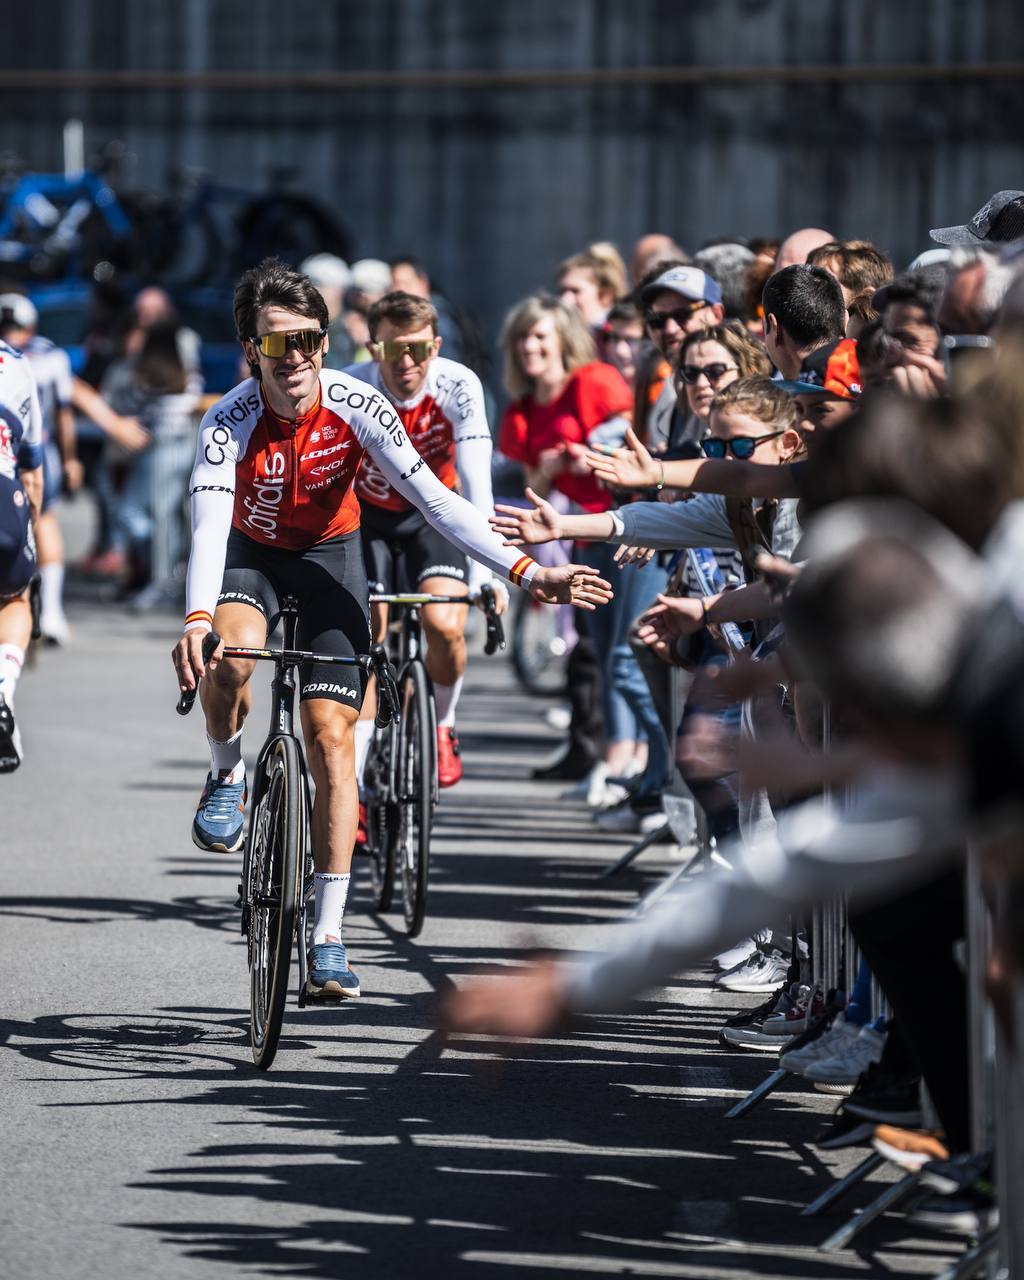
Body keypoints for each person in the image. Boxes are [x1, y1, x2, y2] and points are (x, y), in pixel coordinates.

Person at [172, 260, 610, 1000]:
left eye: (309, 340)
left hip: (332, 556)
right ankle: (226, 773)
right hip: (253, 554)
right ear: (253, 352)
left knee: (332, 738)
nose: (300, 358)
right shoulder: (228, 420)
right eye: (280, 346)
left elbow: (439, 504)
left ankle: (330, 934)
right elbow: (209, 528)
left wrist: (527, 572)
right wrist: (197, 618)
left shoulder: (357, 402)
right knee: (232, 660)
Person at [346, 289, 501, 789]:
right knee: (367, 633)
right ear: (374, 350)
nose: (406, 361)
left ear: (436, 347)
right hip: (369, 518)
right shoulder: (352, 386)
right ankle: (356, 775)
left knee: (444, 623)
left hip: (436, 517)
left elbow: (477, 480)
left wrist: (485, 573)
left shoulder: (459, 385)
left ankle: (441, 724)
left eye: (417, 348)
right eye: (392, 349)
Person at [497, 294, 642, 785]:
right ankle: (603, 757)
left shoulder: (593, 382)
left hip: (627, 523)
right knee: (595, 652)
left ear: (563, 340)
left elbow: (634, 439)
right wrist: (558, 465)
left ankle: (627, 761)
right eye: (522, 337)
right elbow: (536, 482)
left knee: (623, 651)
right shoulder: (522, 411)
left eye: (539, 336)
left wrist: (590, 457)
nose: (529, 347)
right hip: (579, 530)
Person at [0, 293, 79, 643]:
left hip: (30, 450)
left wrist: (69, 457)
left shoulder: (41, 359)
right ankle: (49, 611)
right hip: (33, 449)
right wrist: (70, 456)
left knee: (40, 522)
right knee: (40, 522)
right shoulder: (45, 358)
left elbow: (64, 412)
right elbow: (65, 412)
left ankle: (49, 610)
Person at [0, 337, 43, 772]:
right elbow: (33, 472)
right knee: (15, 595)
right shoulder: (15, 363)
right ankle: (3, 682)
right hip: (3, 494)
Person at [634, 263, 725, 451]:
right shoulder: (672, 384)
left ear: (716, 314)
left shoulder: (738, 377)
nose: (670, 329)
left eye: (683, 315)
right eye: (657, 319)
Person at [299, 254, 354, 369]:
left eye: (318, 284)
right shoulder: (298, 326)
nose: (312, 291)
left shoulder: (355, 330)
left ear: (340, 290)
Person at [557, 243, 629, 332]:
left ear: (606, 295)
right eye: (562, 291)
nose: (565, 300)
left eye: (575, 291)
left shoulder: (616, 337)